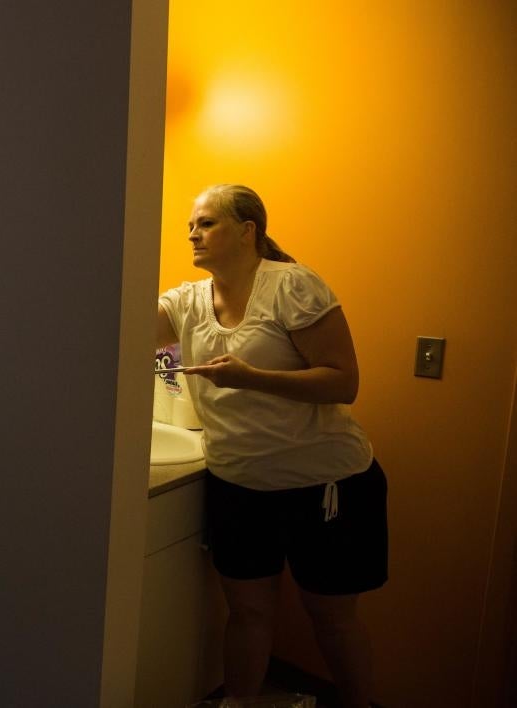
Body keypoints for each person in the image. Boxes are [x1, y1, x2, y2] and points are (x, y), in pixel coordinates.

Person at [157, 185, 387, 708]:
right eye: (191, 224)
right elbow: (122, 332)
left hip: (326, 484)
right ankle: (240, 703)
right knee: (249, 612)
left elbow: (342, 382)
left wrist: (251, 378)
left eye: (207, 222)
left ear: (248, 231)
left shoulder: (292, 287)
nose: (193, 232)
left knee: (331, 616)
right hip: (239, 485)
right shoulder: (187, 301)